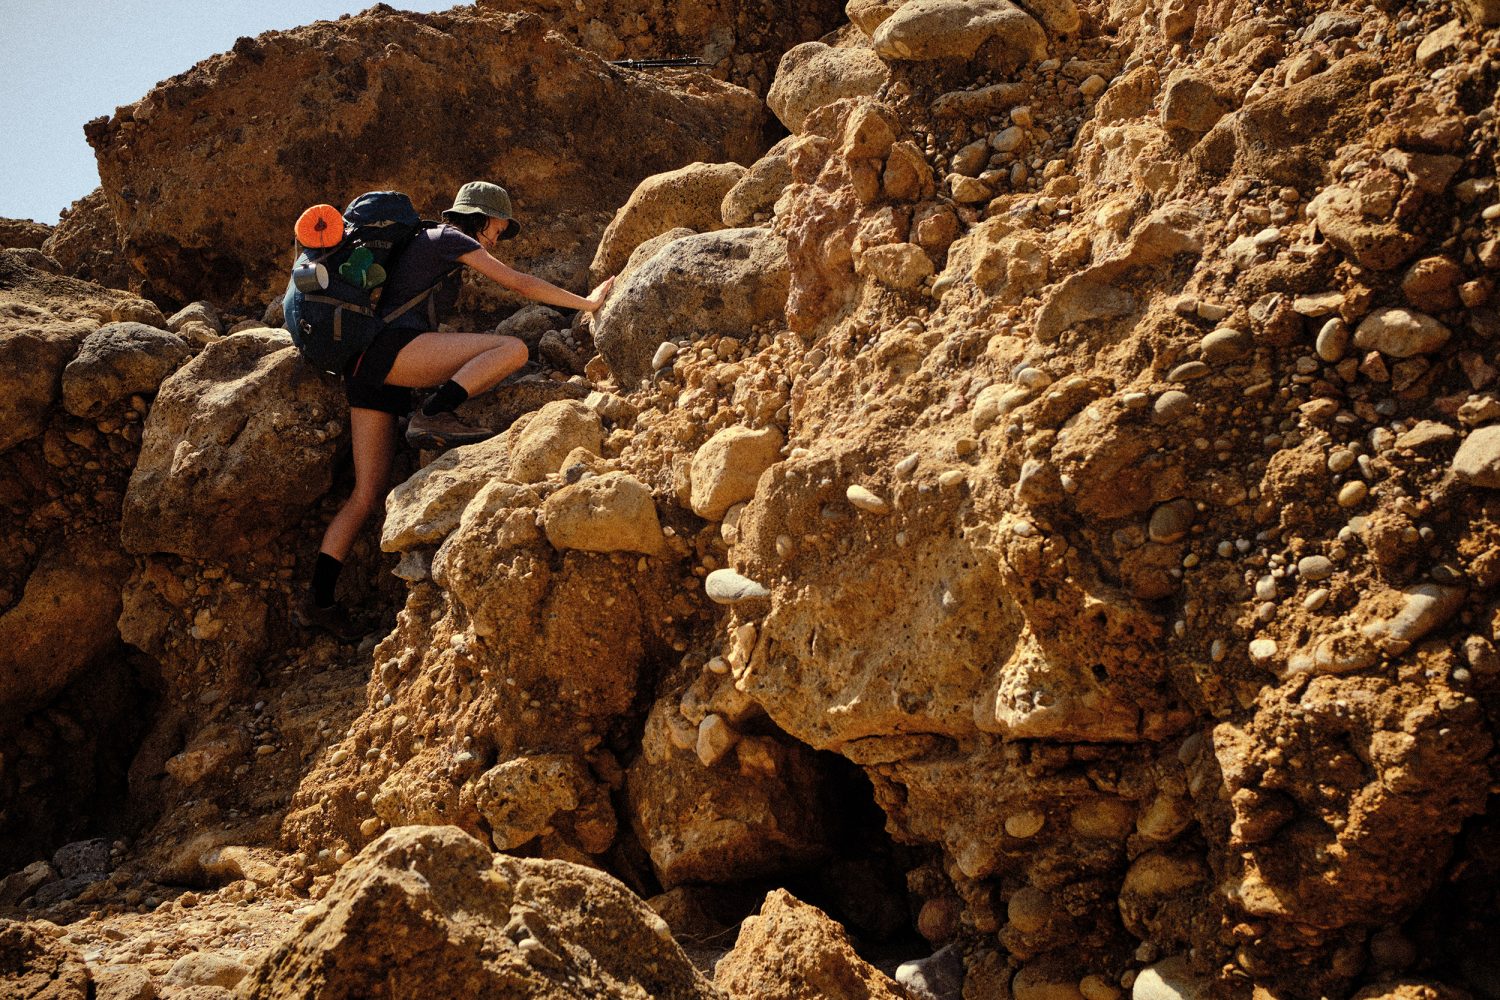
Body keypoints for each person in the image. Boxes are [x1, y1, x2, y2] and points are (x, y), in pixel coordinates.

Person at [302, 181, 614, 639]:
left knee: (367, 495)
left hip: (366, 367)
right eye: (498, 229)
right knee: (511, 349)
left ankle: (318, 602)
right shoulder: (448, 238)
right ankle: (436, 411)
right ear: (481, 219)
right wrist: (587, 302)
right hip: (392, 353)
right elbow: (518, 283)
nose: (496, 239)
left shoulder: (419, 244)